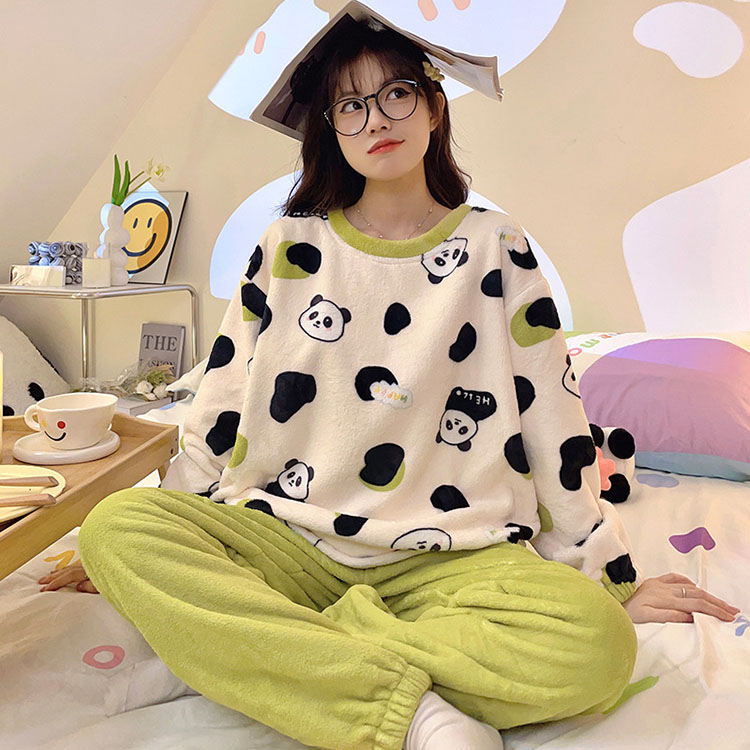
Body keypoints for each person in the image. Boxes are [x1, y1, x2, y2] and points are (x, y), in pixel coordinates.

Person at [38, 12, 740, 750]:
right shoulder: (287, 246)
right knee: (118, 527)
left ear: (433, 107)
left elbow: (553, 421)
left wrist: (610, 579)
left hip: (456, 555)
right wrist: (165, 531)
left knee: (597, 645)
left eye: (396, 93)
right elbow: (220, 401)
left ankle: (250, 656)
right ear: (332, 130)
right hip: (289, 538)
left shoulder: (496, 246)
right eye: (350, 105)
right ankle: (409, 714)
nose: (375, 118)